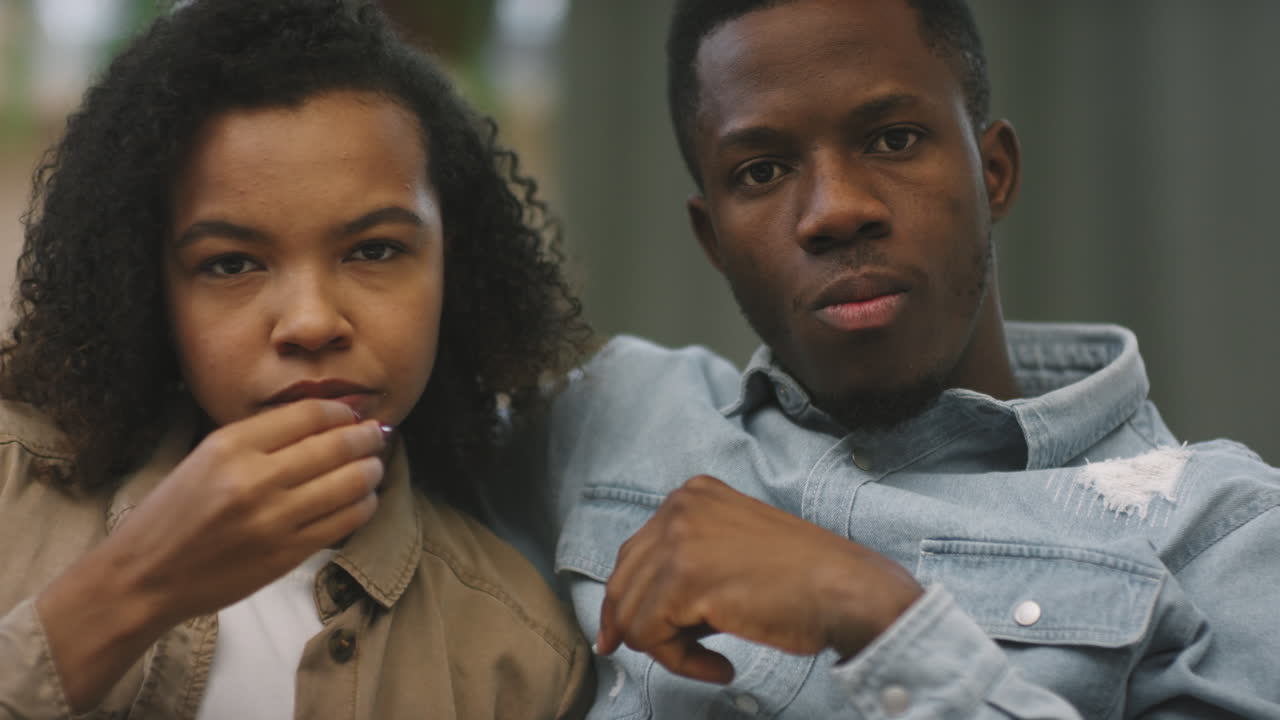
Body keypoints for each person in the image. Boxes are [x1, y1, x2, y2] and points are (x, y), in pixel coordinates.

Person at [482, 0, 1280, 717]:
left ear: (993, 173)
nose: (836, 210)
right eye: (761, 171)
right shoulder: (608, 417)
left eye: (893, 139)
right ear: (712, 238)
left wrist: (872, 612)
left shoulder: (1223, 534)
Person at [0, 1, 594, 718]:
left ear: (453, 270)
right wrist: (136, 583)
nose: (312, 322)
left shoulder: (520, 657)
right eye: (230, 264)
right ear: (149, 286)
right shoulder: (10, 488)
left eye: (375, 250)